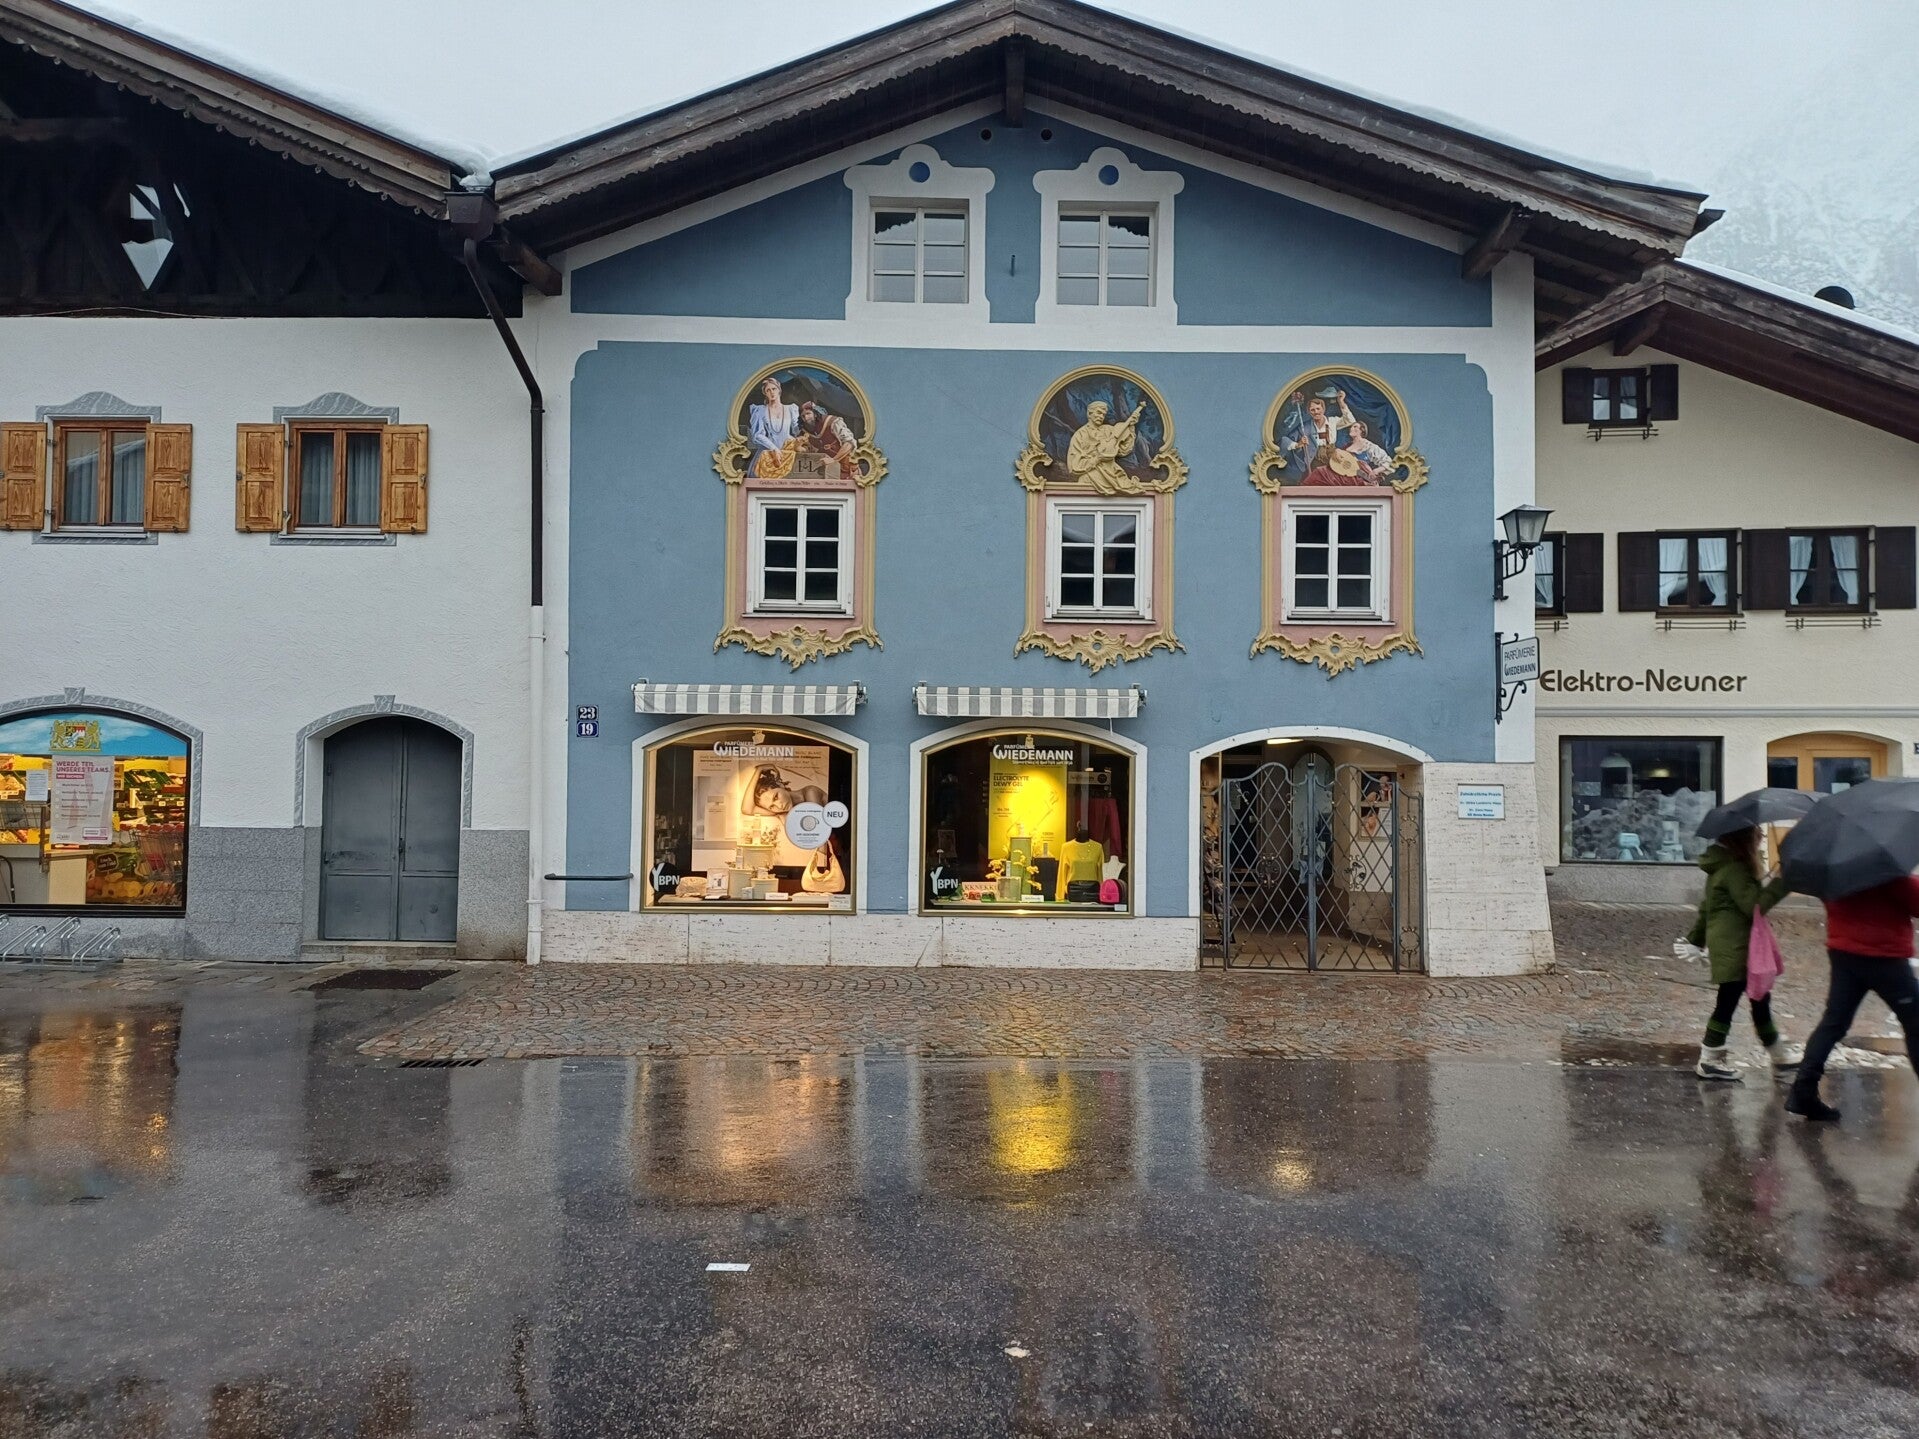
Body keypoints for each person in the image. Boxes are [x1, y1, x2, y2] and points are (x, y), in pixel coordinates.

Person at [1784, 873, 1919, 1122]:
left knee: (1833, 1023)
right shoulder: (1885, 870)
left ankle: (1803, 1091)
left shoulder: (1834, 868)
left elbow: (1826, 895)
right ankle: (1803, 1092)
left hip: (1845, 953)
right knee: (1916, 1022)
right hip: (1886, 956)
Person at [1683, 826, 1797, 1081]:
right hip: (1735, 947)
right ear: (1743, 839)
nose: (1761, 838)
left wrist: (1696, 939)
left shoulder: (1725, 866)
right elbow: (1754, 906)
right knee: (1729, 1001)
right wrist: (1781, 882)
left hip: (1735, 945)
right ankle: (1710, 1059)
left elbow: (1707, 908)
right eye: (1757, 834)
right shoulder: (1734, 869)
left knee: (1759, 998)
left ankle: (1778, 1054)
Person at [1065, 400, 1145, 491]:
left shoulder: (1109, 430)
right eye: (1098, 413)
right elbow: (1074, 466)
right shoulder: (1080, 435)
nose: (1101, 416)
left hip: (1113, 472)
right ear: (1089, 414)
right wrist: (1097, 459)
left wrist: (1131, 426)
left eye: (1103, 414)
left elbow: (1124, 450)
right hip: (1091, 475)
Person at [747, 375, 802, 478]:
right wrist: (774, 448)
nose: (771, 392)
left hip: (787, 451)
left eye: (774, 389)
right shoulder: (760, 410)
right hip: (768, 452)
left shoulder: (791, 409)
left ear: (779, 390)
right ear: (765, 393)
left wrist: (802, 433)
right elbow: (758, 435)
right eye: (768, 390)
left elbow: (797, 430)